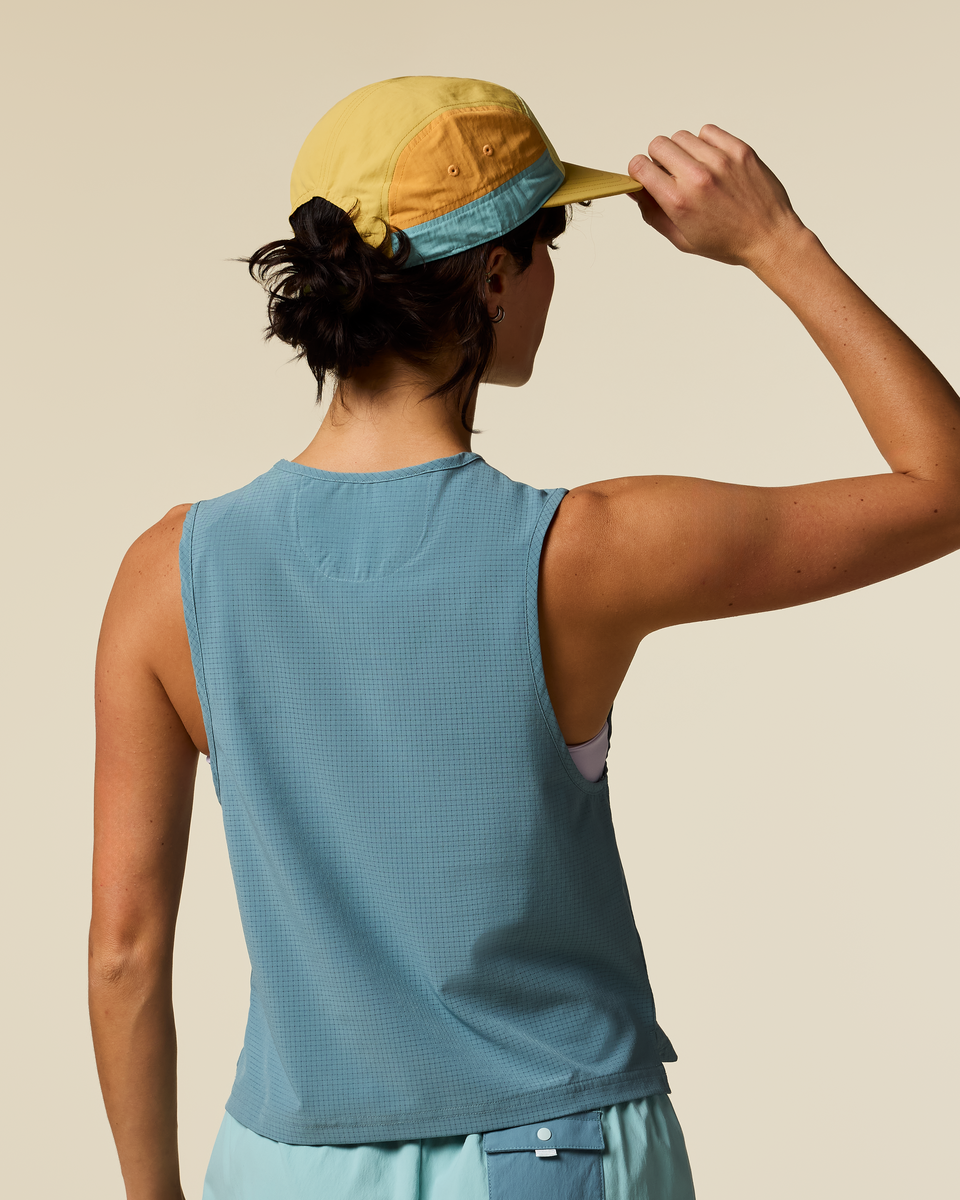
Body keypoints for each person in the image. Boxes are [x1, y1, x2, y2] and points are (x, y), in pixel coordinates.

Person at [88, 75, 960, 1200]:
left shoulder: (167, 573)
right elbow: (943, 487)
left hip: (282, 1164)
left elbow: (124, 951)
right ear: (496, 276)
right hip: (544, 1152)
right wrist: (774, 241)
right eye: (550, 244)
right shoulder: (584, 551)